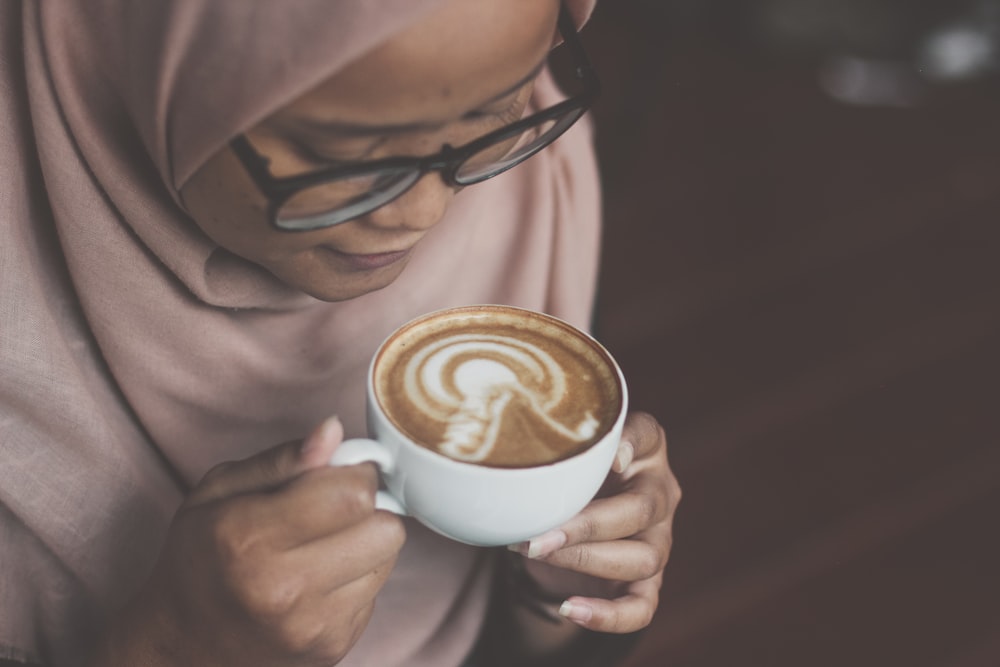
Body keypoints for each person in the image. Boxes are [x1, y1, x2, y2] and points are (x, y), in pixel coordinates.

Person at [0, 1, 681, 665]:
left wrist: (566, 589)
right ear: (148, 53)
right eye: (344, 155)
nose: (423, 211)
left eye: (495, 110)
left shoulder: (528, 186)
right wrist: (166, 649)